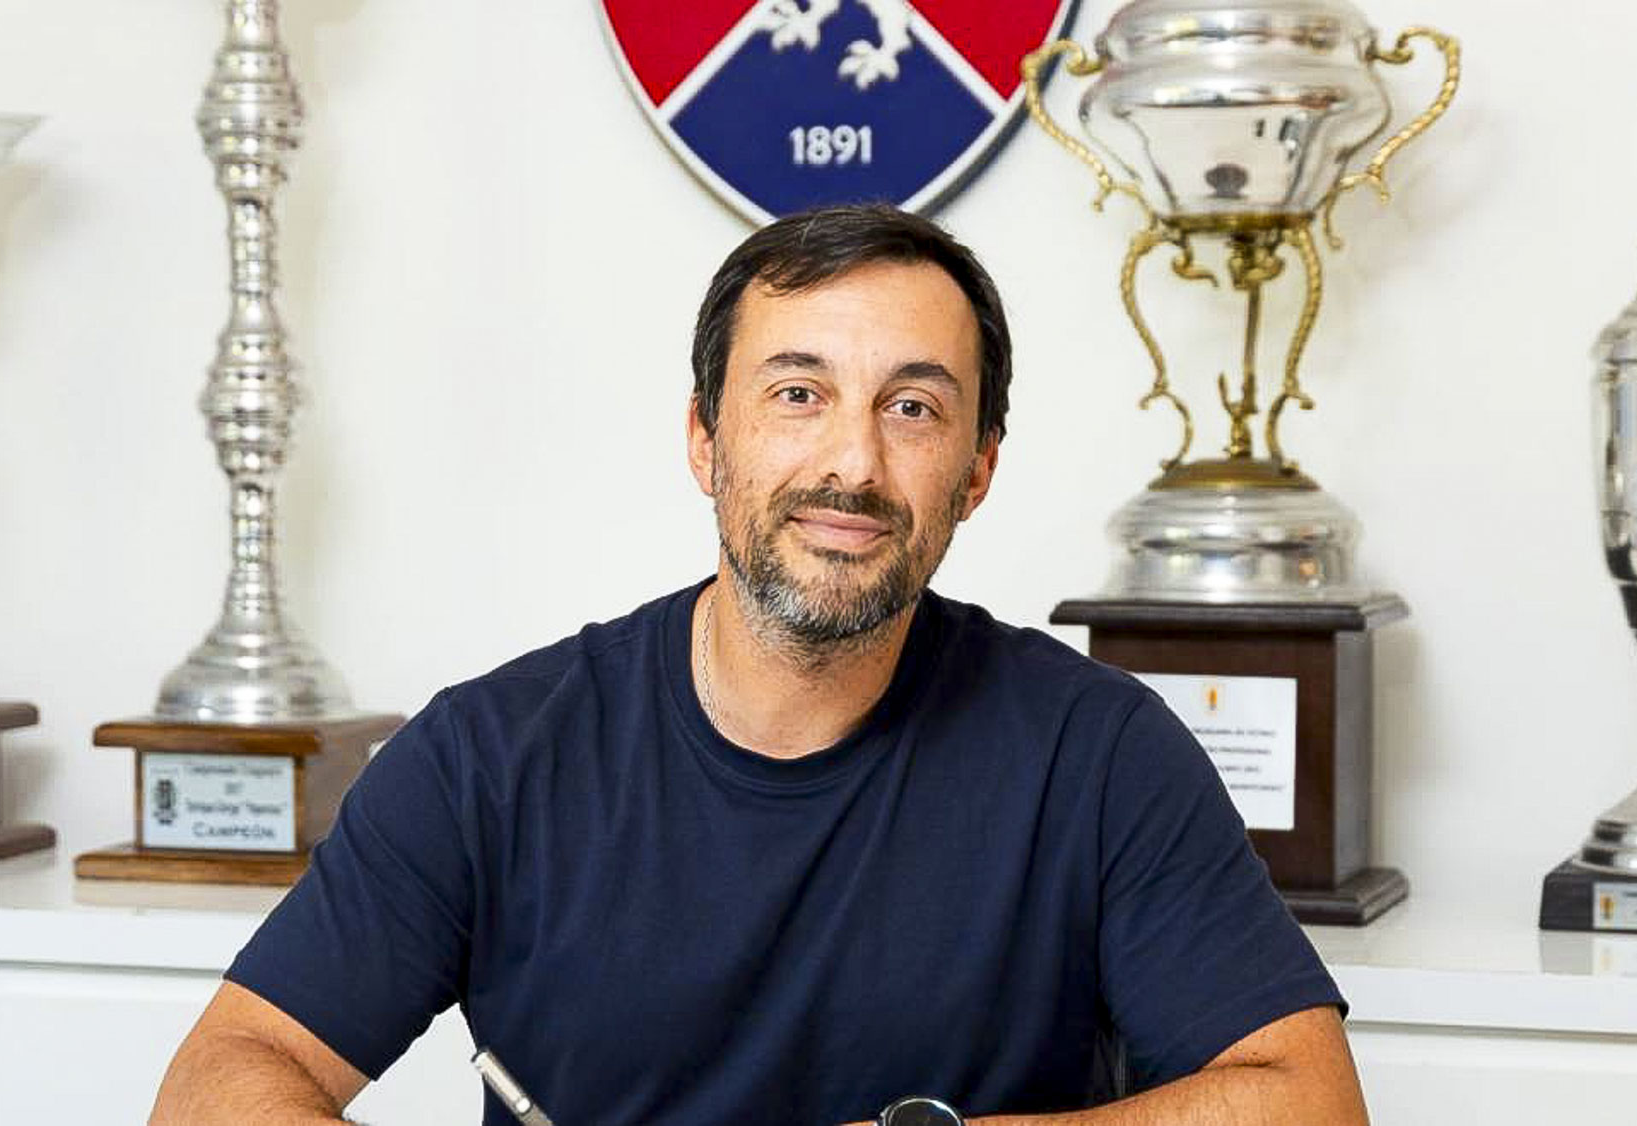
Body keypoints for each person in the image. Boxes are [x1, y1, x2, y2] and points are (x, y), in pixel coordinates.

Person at [151, 204, 1367, 1125]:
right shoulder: (489, 754)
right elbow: (230, 1070)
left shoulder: (1097, 754)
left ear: (977, 471)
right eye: (797, 393)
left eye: (912, 408)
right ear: (704, 438)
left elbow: (1306, 1100)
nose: (852, 464)